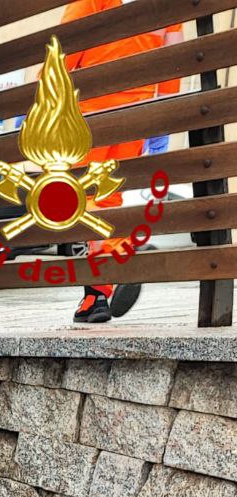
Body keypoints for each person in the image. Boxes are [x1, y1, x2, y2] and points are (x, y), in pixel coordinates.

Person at [60, 2, 181, 323]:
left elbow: (65, 48)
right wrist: (162, 119)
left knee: (79, 198)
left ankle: (123, 253)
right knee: (106, 200)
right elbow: (173, 59)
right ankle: (96, 298)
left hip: (89, 113)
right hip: (137, 115)